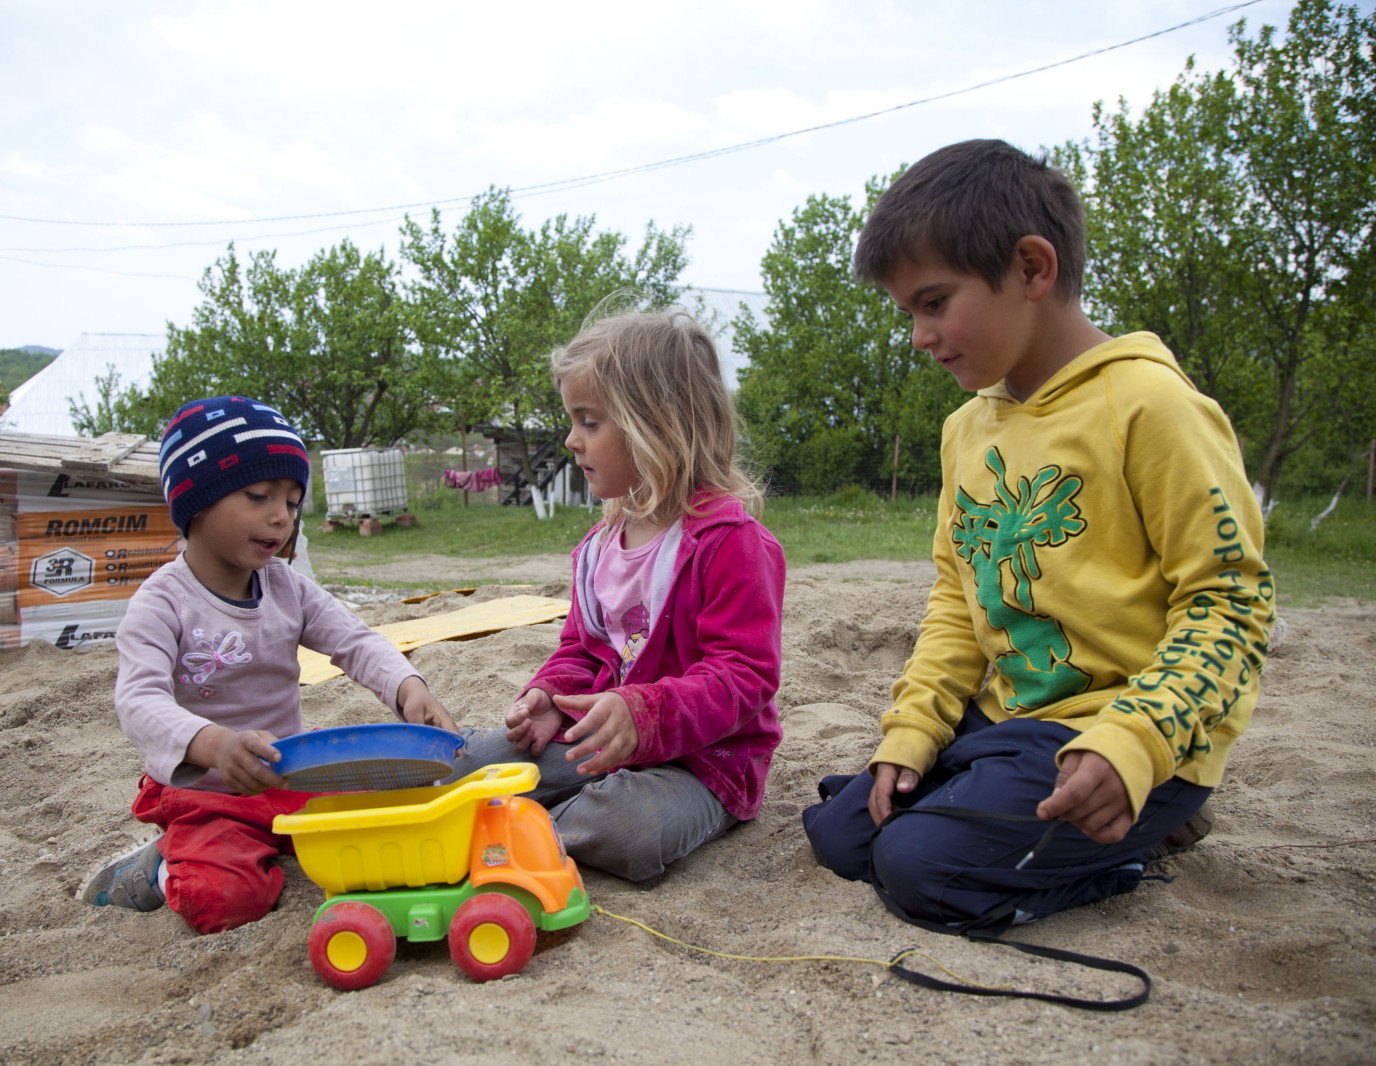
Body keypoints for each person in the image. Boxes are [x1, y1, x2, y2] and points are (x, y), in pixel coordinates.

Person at [802, 140, 1274, 931]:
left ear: (1031, 269)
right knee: (842, 836)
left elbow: (1231, 604)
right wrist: (915, 729)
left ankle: (1139, 836)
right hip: (1012, 721)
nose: (919, 335)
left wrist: (1136, 743)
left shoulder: (1152, 407)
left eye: (934, 302)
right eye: (907, 312)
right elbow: (959, 594)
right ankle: (973, 783)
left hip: (1123, 728)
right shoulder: (967, 430)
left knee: (919, 869)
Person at [79, 395, 456, 934]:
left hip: (288, 776)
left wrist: (407, 687)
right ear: (197, 503)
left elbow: (354, 640)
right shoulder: (162, 602)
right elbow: (139, 701)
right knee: (225, 902)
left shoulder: (286, 587)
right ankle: (158, 867)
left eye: (293, 501)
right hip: (206, 796)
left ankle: (266, 845)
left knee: (390, 816)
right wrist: (213, 744)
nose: (281, 516)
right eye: (259, 496)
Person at [448, 308, 786, 882]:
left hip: (702, 762)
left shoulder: (729, 542)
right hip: (603, 740)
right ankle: (531, 819)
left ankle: (524, 833)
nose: (571, 440)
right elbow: (583, 649)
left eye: (590, 422)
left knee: (629, 829)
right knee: (471, 765)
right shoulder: (599, 548)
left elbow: (744, 676)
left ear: (659, 425)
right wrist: (551, 696)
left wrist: (643, 712)